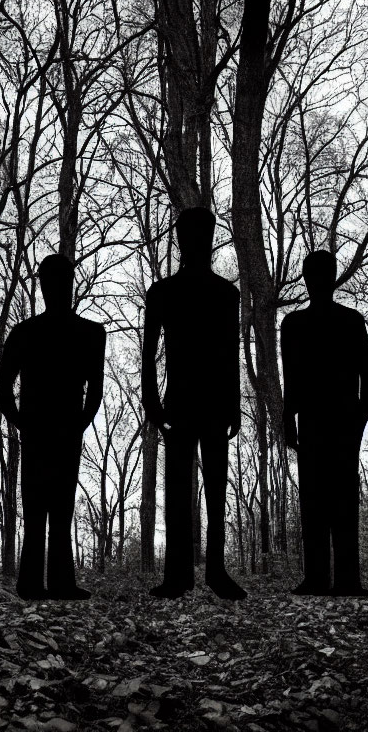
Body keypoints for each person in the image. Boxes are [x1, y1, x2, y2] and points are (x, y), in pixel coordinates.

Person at [141, 207, 246, 600]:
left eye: (204, 235)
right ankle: (178, 574)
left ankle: (213, 572)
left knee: (214, 489)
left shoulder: (225, 294)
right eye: (192, 235)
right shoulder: (163, 292)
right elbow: (148, 352)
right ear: (183, 240)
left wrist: (234, 403)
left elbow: (230, 351)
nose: (198, 242)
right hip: (181, 403)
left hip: (210, 402)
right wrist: (152, 402)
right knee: (180, 487)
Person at [0, 254, 106, 601]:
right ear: (44, 286)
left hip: (54, 431)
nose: (55, 288)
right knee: (43, 507)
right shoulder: (41, 333)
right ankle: (39, 583)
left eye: (60, 281)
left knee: (56, 507)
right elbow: (2, 390)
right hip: (47, 432)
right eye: (51, 281)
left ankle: (51, 583)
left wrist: (73, 425)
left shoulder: (84, 333)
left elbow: (96, 391)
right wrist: (27, 425)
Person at [281, 250, 368, 596]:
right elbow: (290, 378)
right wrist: (287, 418)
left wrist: (358, 423)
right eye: (312, 274)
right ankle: (319, 577)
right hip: (314, 424)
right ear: (307, 279)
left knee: (341, 498)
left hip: (340, 425)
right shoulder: (292, 325)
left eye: (321, 274)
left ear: (330, 278)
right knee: (314, 498)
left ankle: (347, 578)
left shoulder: (350, 321)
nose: (316, 281)